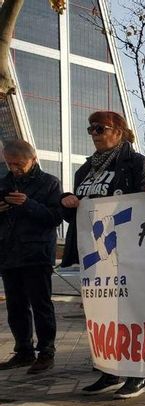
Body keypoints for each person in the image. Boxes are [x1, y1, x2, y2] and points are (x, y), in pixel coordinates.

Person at [61, 111, 145, 399]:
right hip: (94, 253)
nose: (94, 133)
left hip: (126, 251)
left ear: (118, 131)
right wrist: (68, 201)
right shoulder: (85, 169)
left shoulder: (136, 163)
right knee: (102, 314)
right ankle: (110, 370)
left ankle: (138, 374)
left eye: (100, 128)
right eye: (90, 128)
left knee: (131, 313)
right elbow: (77, 213)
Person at [0, 139, 63, 374]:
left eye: (19, 164)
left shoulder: (49, 183)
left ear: (33, 159)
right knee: (16, 307)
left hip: (36, 254)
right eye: (10, 164)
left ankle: (46, 351)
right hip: (8, 252)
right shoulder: (4, 183)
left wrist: (28, 204)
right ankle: (23, 350)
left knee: (41, 305)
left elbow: (55, 218)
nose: (15, 168)